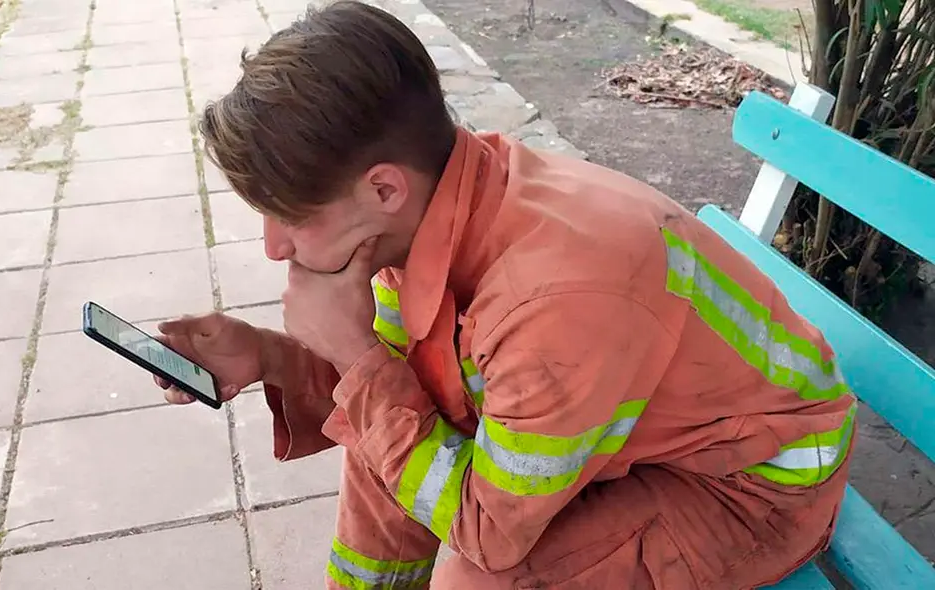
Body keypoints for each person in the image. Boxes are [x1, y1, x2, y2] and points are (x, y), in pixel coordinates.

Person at [154, 2, 857, 588]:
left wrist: (358, 360)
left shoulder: (559, 299)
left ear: (384, 188)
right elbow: (405, 395)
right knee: (382, 419)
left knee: (475, 577)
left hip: (746, 484)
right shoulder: (436, 205)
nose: (274, 248)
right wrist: (271, 357)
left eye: (288, 215)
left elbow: (487, 532)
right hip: (621, 432)